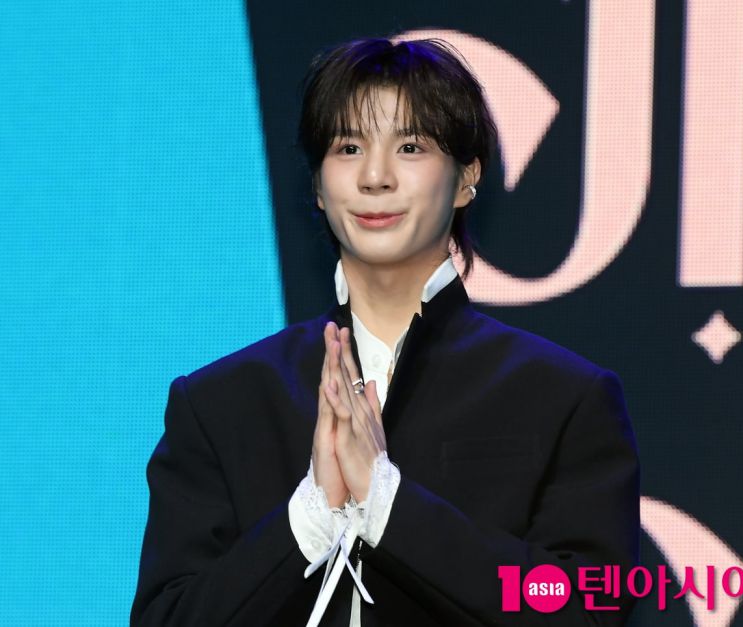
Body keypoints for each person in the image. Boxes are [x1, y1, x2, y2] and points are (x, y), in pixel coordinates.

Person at [130, 37, 640, 626]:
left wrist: (387, 504)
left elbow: (585, 609)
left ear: (467, 177)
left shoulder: (563, 397)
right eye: (348, 148)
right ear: (318, 186)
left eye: (410, 147)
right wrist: (309, 517)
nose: (375, 177)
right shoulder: (220, 402)